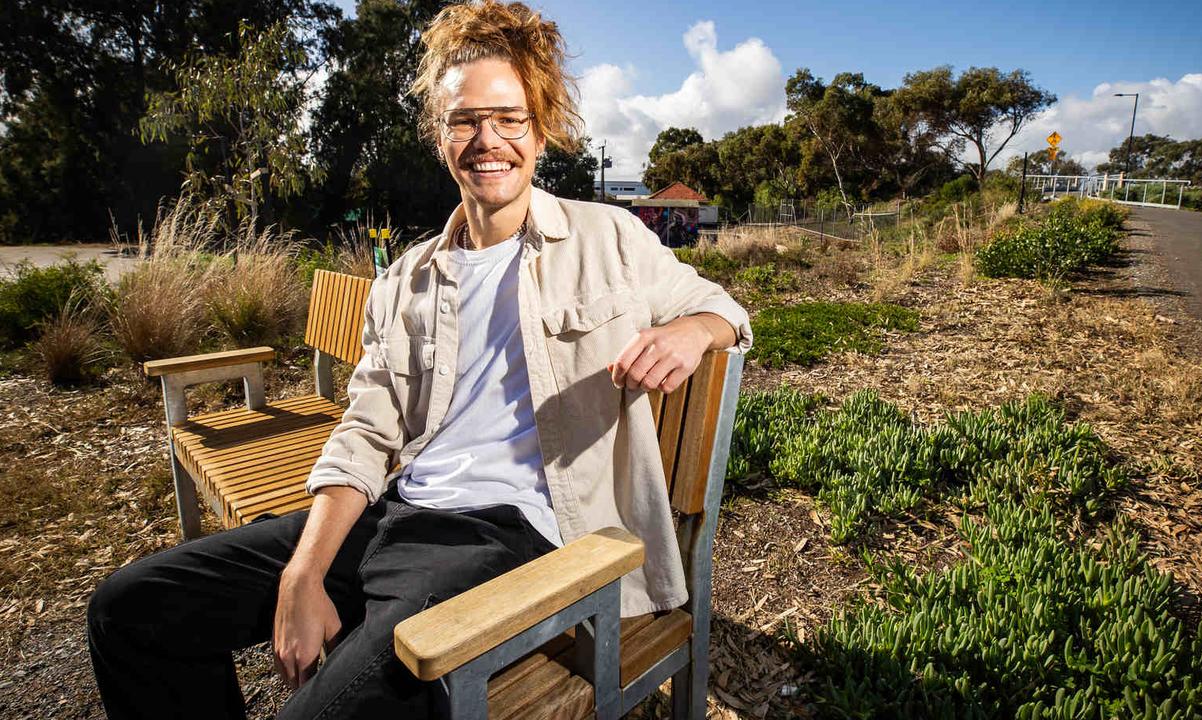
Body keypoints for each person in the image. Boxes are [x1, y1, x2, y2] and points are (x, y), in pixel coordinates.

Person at [85, 1, 752, 717]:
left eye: (509, 118)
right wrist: (302, 573)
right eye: (464, 120)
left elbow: (726, 311)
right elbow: (367, 431)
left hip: (510, 541)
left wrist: (693, 333)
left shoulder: (608, 237)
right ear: (439, 134)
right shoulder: (407, 277)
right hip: (393, 513)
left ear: (540, 128)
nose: (487, 140)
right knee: (130, 610)